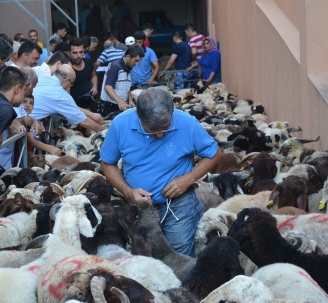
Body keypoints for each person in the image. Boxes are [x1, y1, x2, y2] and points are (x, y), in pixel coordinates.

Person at [100, 88, 221, 258]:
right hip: (139, 208)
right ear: (138, 115)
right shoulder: (120, 125)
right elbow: (107, 163)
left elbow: (214, 154)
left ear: (172, 111)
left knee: (178, 259)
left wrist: (188, 178)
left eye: (166, 127)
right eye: (152, 129)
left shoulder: (187, 123)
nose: (160, 134)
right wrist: (128, 191)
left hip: (179, 206)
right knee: (144, 258)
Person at [30, 64, 103, 132]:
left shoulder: (41, 75)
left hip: (24, 119)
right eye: (71, 83)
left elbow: (70, 107)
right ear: (66, 81)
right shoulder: (60, 94)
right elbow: (84, 121)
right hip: (28, 127)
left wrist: (91, 114)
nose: (70, 86)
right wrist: (103, 132)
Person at [99, 46, 145, 117]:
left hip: (121, 105)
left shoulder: (128, 68)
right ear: (128, 56)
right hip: (109, 106)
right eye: (136, 60)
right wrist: (120, 102)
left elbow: (127, 87)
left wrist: (130, 100)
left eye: (138, 61)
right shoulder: (115, 66)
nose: (137, 64)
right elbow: (108, 87)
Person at [69, 37, 98, 110]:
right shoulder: (66, 68)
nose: (79, 55)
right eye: (75, 53)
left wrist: (94, 86)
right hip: (74, 109)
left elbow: (93, 75)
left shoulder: (88, 62)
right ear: (69, 52)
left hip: (89, 106)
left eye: (81, 52)